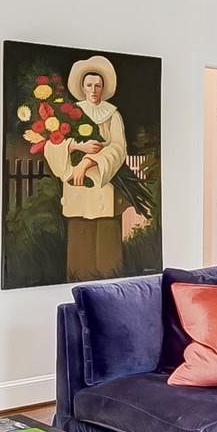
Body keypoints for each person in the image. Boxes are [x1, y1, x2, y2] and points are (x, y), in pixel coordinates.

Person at [42, 54, 129, 279]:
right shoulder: (70, 114)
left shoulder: (112, 115)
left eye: (97, 85)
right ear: (82, 87)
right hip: (77, 187)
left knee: (107, 246)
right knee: (80, 245)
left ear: (103, 88)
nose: (93, 90)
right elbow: (52, 145)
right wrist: (77, 146)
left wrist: (88, 162)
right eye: (89, 85)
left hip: (103, 184)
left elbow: (118, 148)